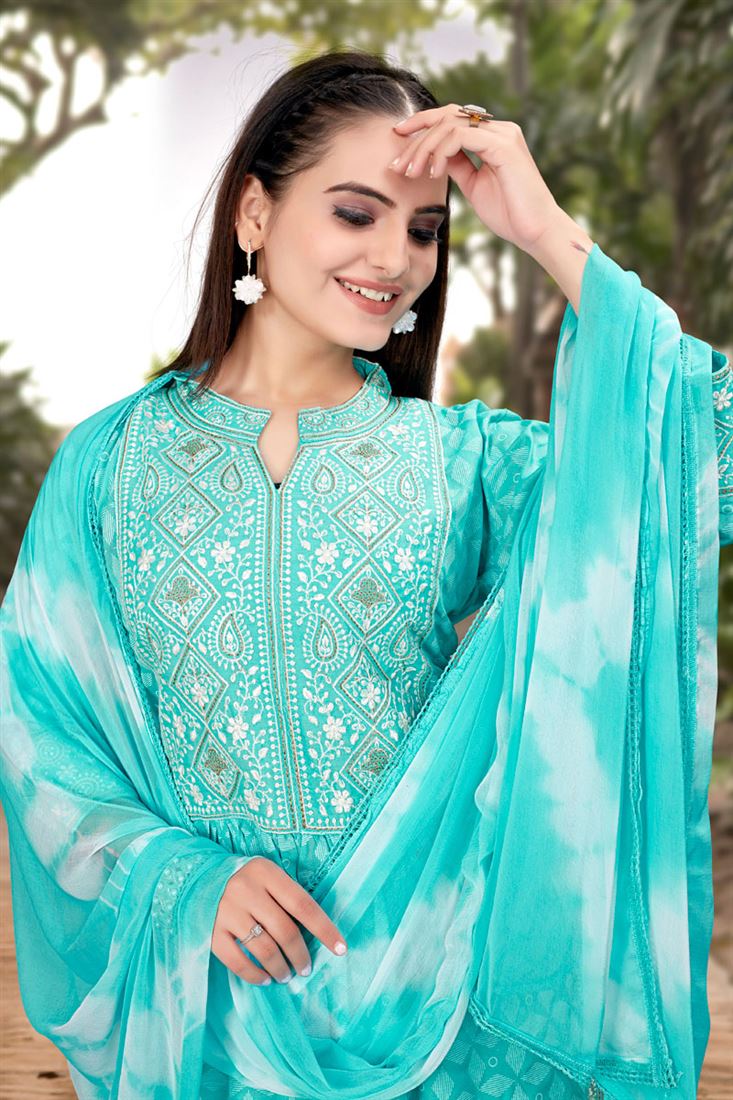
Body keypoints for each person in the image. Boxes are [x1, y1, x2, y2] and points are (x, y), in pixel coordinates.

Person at [1, 49, 729, 1100]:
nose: (395, 258)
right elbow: (38, 730)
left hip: (438, 1003)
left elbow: (708, 462)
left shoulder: (458, 462)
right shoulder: (112, 463)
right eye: (355, 213)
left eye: (425, 229)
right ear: (254, 212)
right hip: (207, 1009)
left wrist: (543, 230)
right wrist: (183, 879)